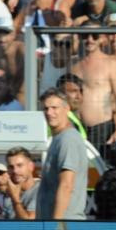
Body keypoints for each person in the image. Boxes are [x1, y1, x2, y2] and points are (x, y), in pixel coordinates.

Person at [36, 88, 89, 220]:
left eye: (54, 108)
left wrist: (57, 223)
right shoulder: (58, 138)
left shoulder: (68, 139)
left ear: (67, 109)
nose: (49, 113)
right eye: (45, 108)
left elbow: (66, 184)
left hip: (65, 225)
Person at [0, 147, 40, 220]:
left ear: (31, 166)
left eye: (19, 165)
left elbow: (29, 225)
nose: (15, 171)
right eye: (11, 167)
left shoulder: (41, 190)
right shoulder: (10, 196)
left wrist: (15, 199)